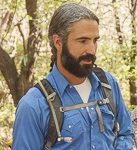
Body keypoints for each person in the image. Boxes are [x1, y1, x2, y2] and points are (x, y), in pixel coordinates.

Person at [12, 3, 133, 150]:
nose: (92, 50)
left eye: (95, 40)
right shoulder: (33, 105)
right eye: (82, 41)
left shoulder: (108, 85)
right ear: (58, 42)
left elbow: (125, 133)